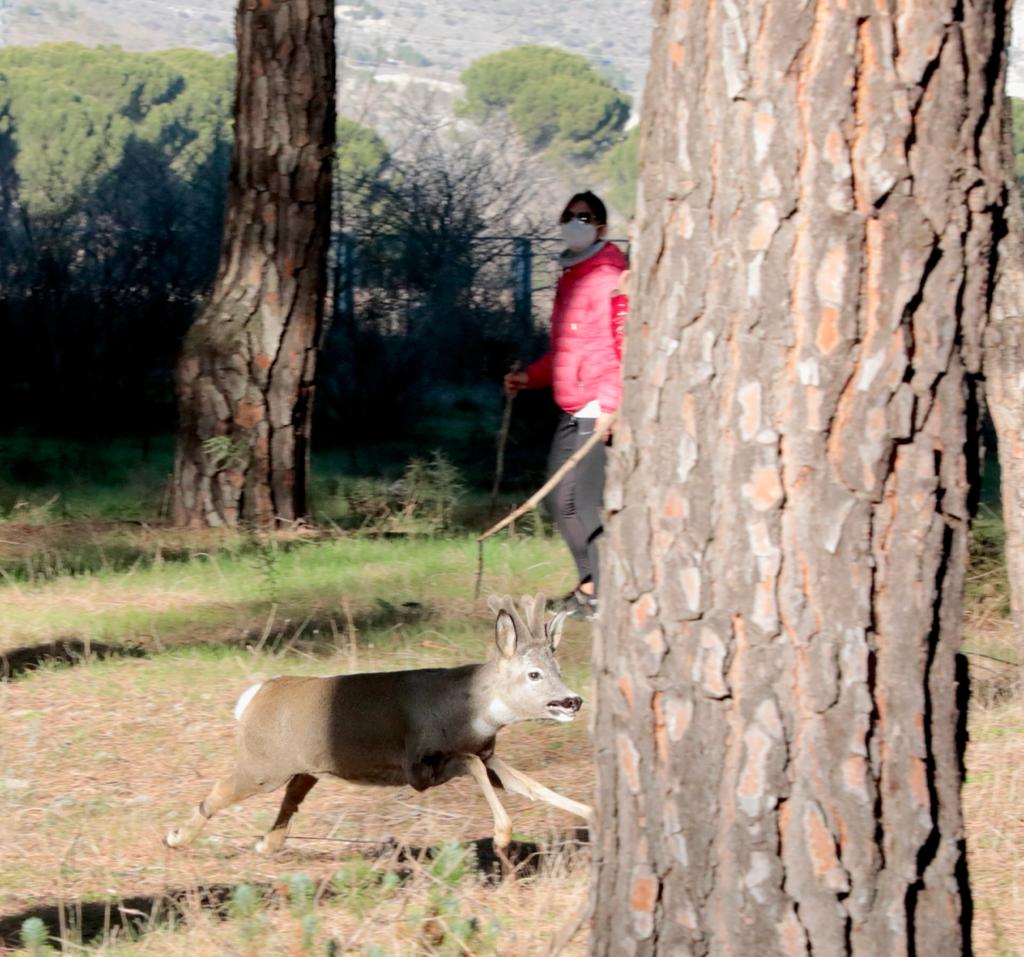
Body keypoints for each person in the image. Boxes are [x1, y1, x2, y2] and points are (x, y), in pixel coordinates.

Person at [504, 191, 627, 619]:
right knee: (563, 500)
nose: (575, 222)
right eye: (569, 215)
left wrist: (612, 407)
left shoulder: (610, 274)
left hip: (598, 406)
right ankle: (591, 586)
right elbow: (566, 349)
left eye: (585, 217)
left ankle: (601, 594)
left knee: (576, 501)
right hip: (573, 404)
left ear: (602, 227)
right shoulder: (573, 274)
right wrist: (531, 377)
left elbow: (621, 345)